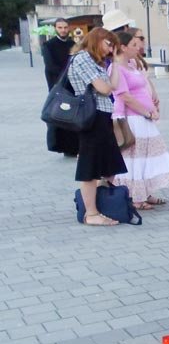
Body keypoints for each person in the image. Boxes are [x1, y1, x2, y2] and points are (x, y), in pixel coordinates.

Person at [67, 29, 127, 226]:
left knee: (110, 163)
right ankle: (91, 213)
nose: (110, 49)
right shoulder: (83, 58)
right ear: (97, 40)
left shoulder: (97, 62)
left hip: (102, 116)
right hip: (90, 118)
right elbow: (103, 88)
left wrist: (116, 63)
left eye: (113, 45)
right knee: (90, 167)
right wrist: (107, 83)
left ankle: (103, 202)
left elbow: (114, 86)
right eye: (108, 44)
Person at [112, 31, 169, 210]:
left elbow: (144, 82)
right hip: (133, 118)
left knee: (149, 155)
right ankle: (135, 196)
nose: (137, 49)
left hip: (144, 117)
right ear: (123, 47)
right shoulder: (116, 68)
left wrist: (153, 100)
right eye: (133, 45)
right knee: (135, 158)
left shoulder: (131, 65)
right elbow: (124, 96)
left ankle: (145, 191)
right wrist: (146, 112)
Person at [41, 18, 79, 156]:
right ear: (55, 28)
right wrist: (65, 76)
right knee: (59, 116)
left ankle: (74, 147)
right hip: (57, 86)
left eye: (65, 27)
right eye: (60, 27)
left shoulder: (72, 44)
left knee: (73, 116)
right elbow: (51, 66)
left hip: (73, 86)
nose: (63, 30)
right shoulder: (48, 45)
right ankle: (62, 146)